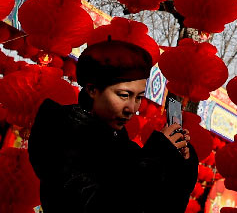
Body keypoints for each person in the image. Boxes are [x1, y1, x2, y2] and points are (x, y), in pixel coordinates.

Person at [28, 39, 198, 213]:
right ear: (93, 90)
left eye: (138, 98)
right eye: (124, 95)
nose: (132, 108)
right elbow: (95, 203)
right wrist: (157, 154)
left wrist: (178, 165)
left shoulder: (123, 146)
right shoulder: (60, 133)